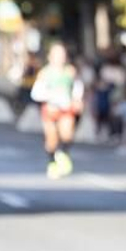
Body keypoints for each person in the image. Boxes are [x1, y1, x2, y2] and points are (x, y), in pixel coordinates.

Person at [31, 44, 84, 178]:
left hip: (66, 108)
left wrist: (77, 99)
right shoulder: (44, 73)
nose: (59, 58)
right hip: (50, 108)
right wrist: (50, 97)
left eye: (62, 54)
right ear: (50, 57)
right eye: (56, 55)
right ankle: (52, 162)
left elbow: (77, 86)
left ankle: (63, 154)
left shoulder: (70, 71)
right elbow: (36, 92)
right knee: (51, 139)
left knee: (67, 134)